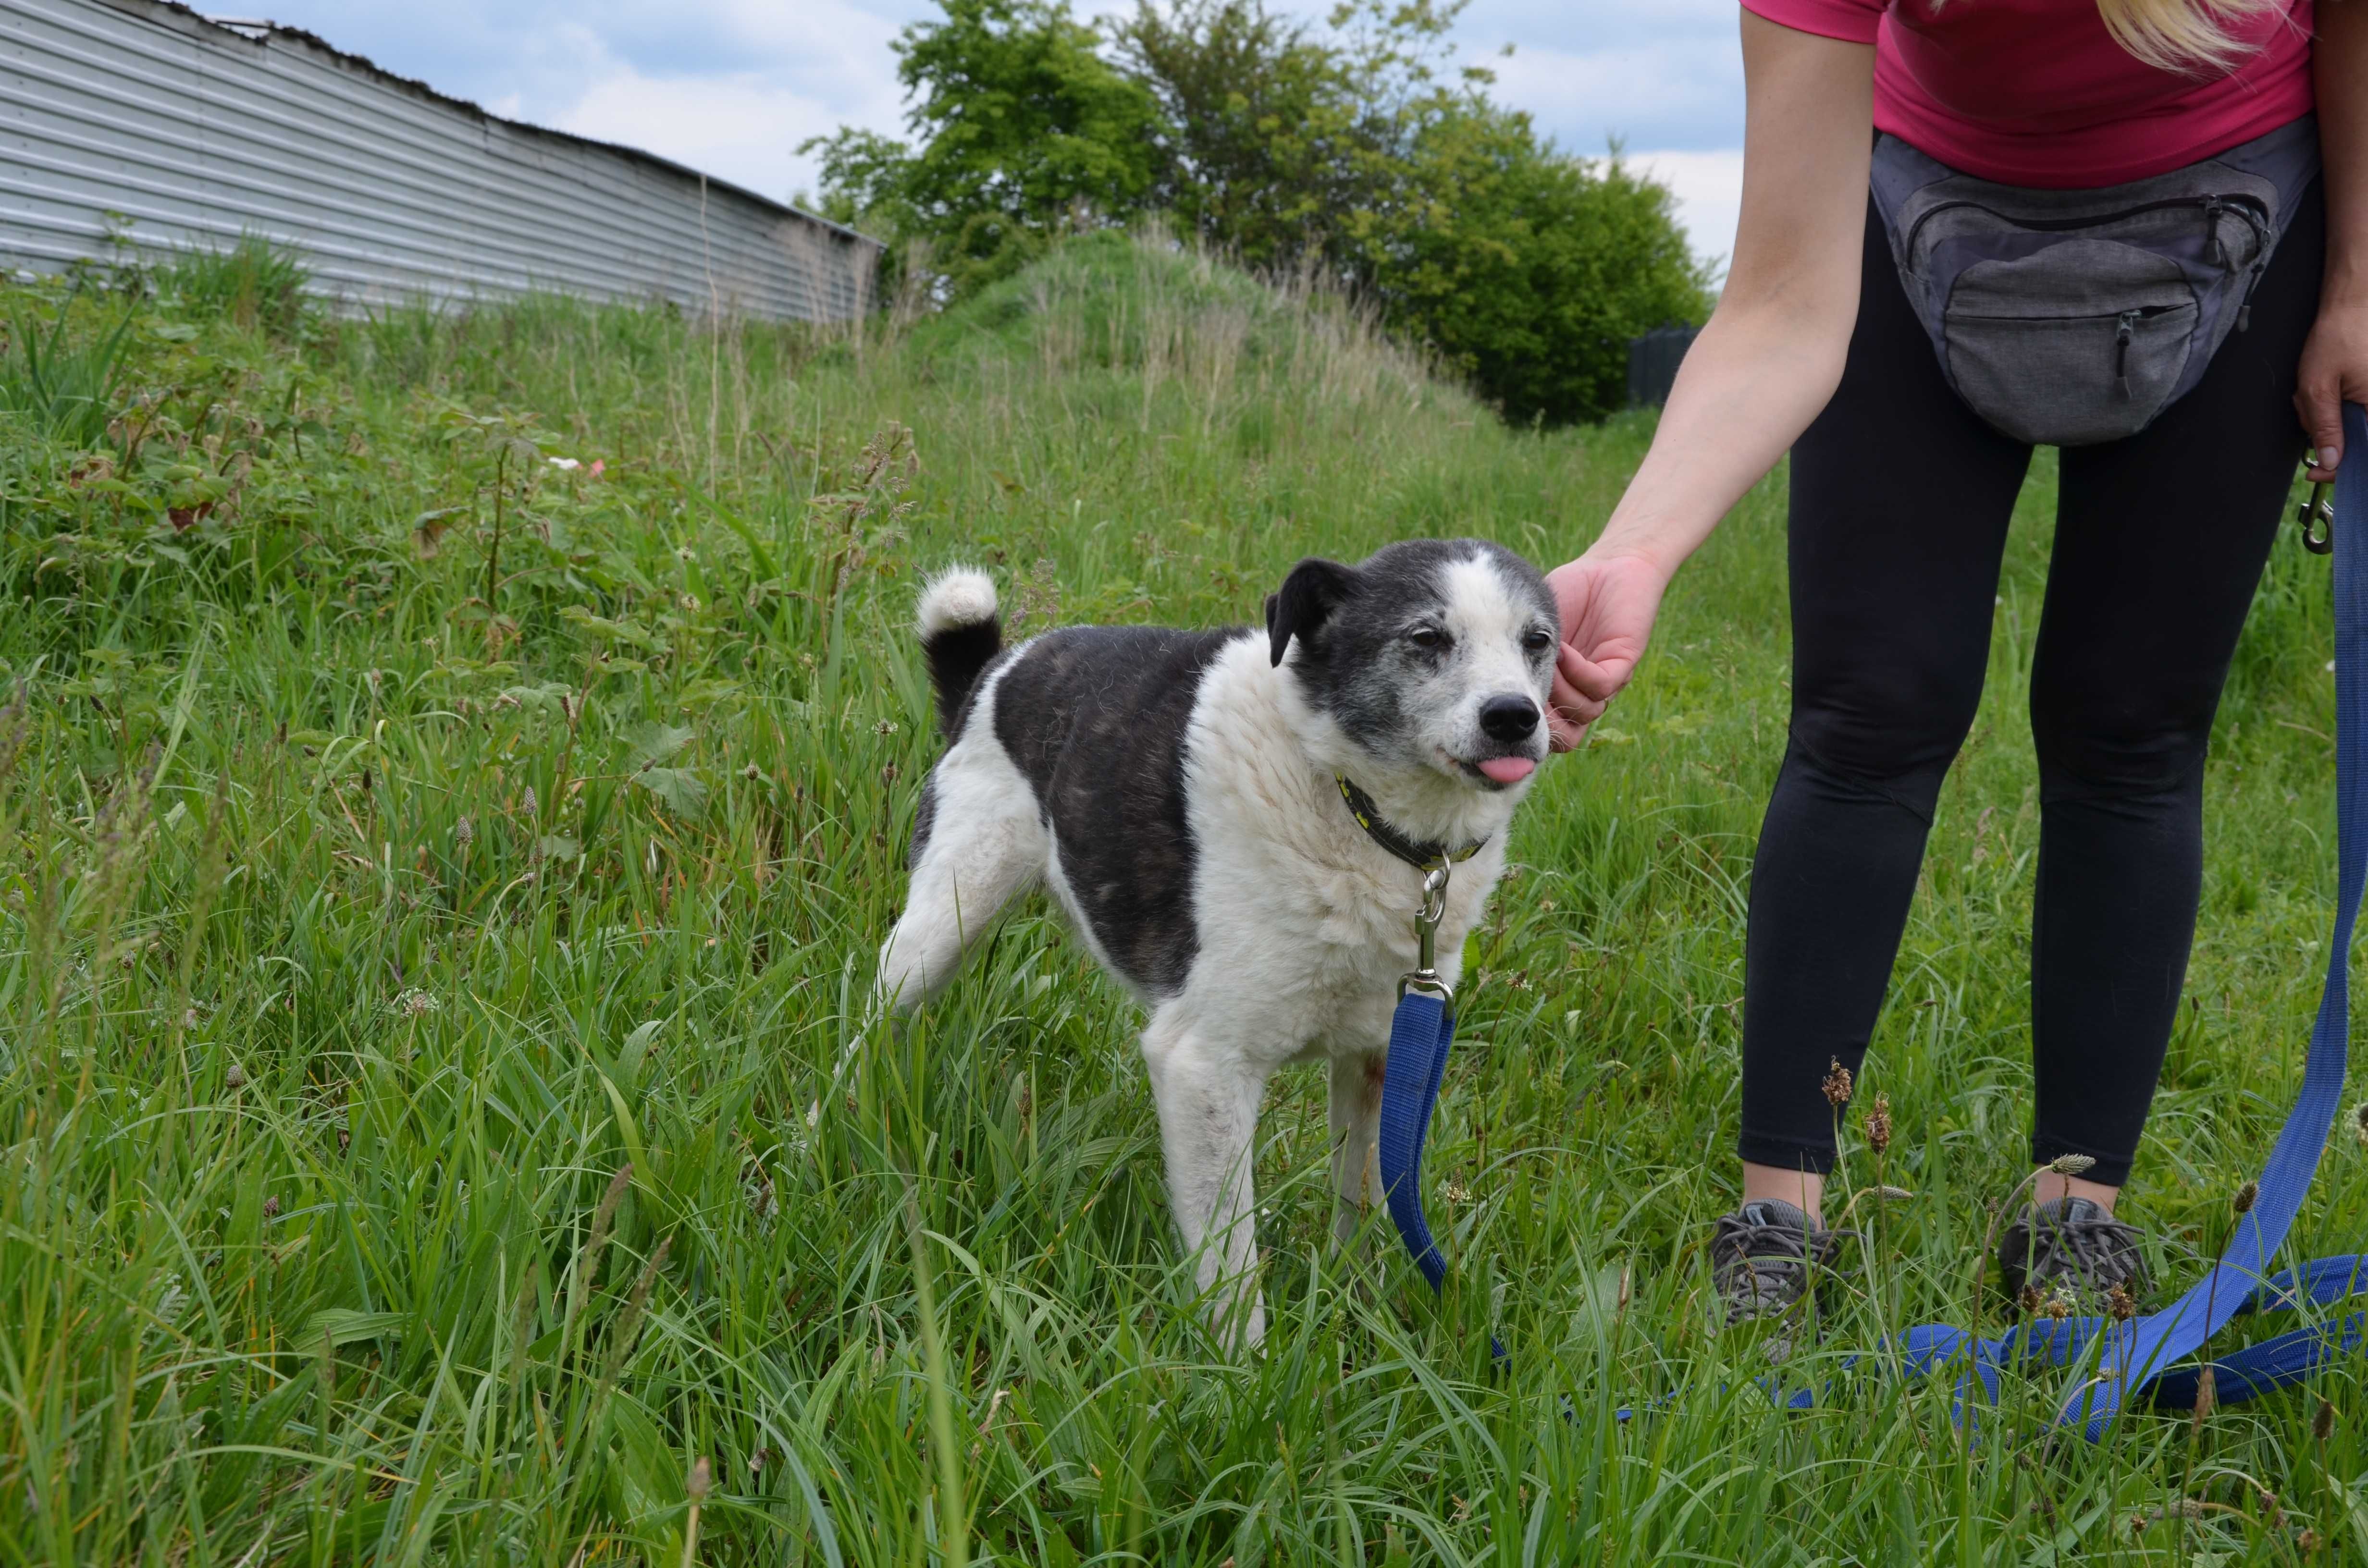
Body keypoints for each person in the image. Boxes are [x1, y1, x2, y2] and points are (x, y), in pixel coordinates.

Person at [1543, 0, 2368, 1327]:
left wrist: (2358, 286)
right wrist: (1634, 551)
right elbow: (1775, 311)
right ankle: (1779, 1214)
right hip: (1920, 209)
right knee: (1871, 707)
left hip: (2243, 205)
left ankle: (2075, 1217)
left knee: (2131, 726)